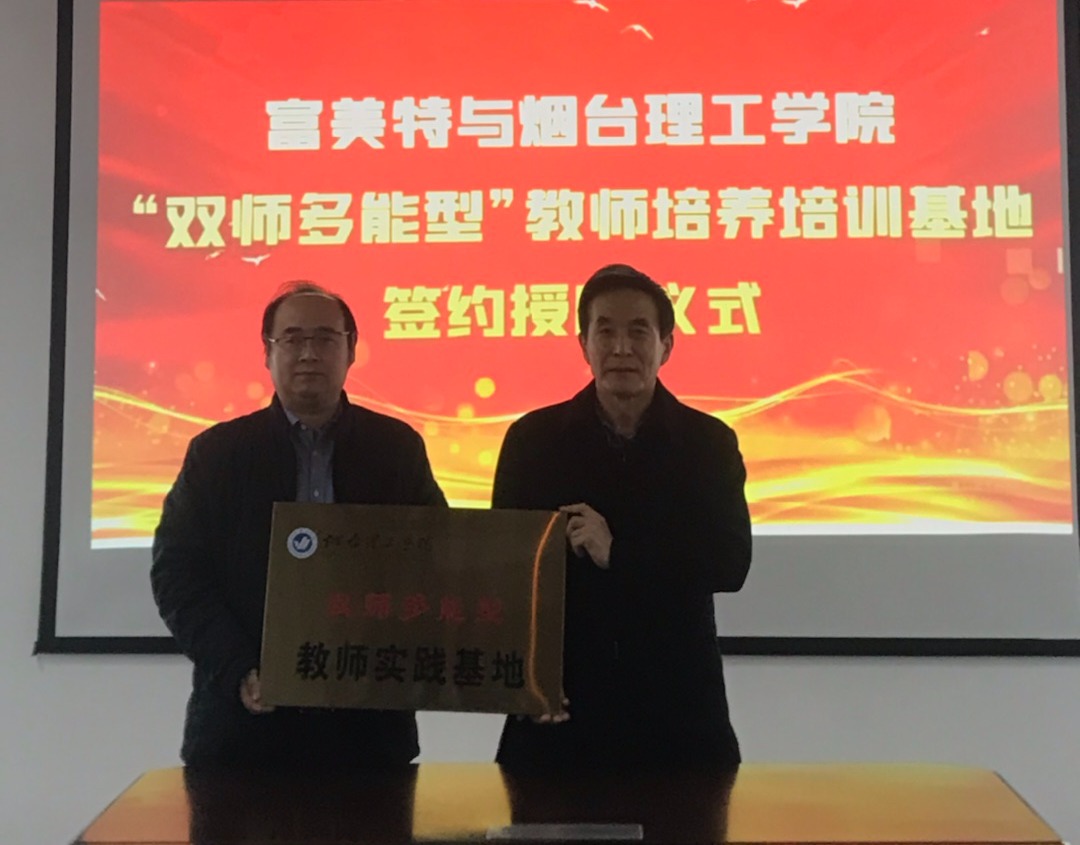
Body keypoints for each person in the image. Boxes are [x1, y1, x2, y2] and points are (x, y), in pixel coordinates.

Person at [151, 280, 446, 769]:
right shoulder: (218, 454)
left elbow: (436, 559)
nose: (309, 353)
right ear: (267, 353)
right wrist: (238, 667)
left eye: (325, 338)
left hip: (368, 732)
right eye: (293, 339)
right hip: (242, 728)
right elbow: (177, 574)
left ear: (352, 350)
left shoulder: (396, 449)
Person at [491, 264, 752, 770]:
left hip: (678, 714)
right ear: (583, 344)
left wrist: (619, 552)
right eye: (605, 331)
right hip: (560, 712)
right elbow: (507, 571)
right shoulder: (533, 441)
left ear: (666, 345)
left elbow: (729, 563)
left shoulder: (707, 444)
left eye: (639, 332)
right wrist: (523, 682)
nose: (621, 348)